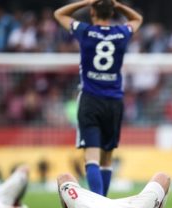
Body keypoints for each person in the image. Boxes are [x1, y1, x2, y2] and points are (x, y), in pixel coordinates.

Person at [54, 0, 143, 196]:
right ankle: (103, 204)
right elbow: (138, 19)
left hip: (91, 100)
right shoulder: (121, 33)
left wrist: (86, 2)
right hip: (114, 102)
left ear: (92, 11)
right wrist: (117, 5)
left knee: (91, 158)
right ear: (111, 14)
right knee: (107, 159)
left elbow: (59, 14)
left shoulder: (85, 31)